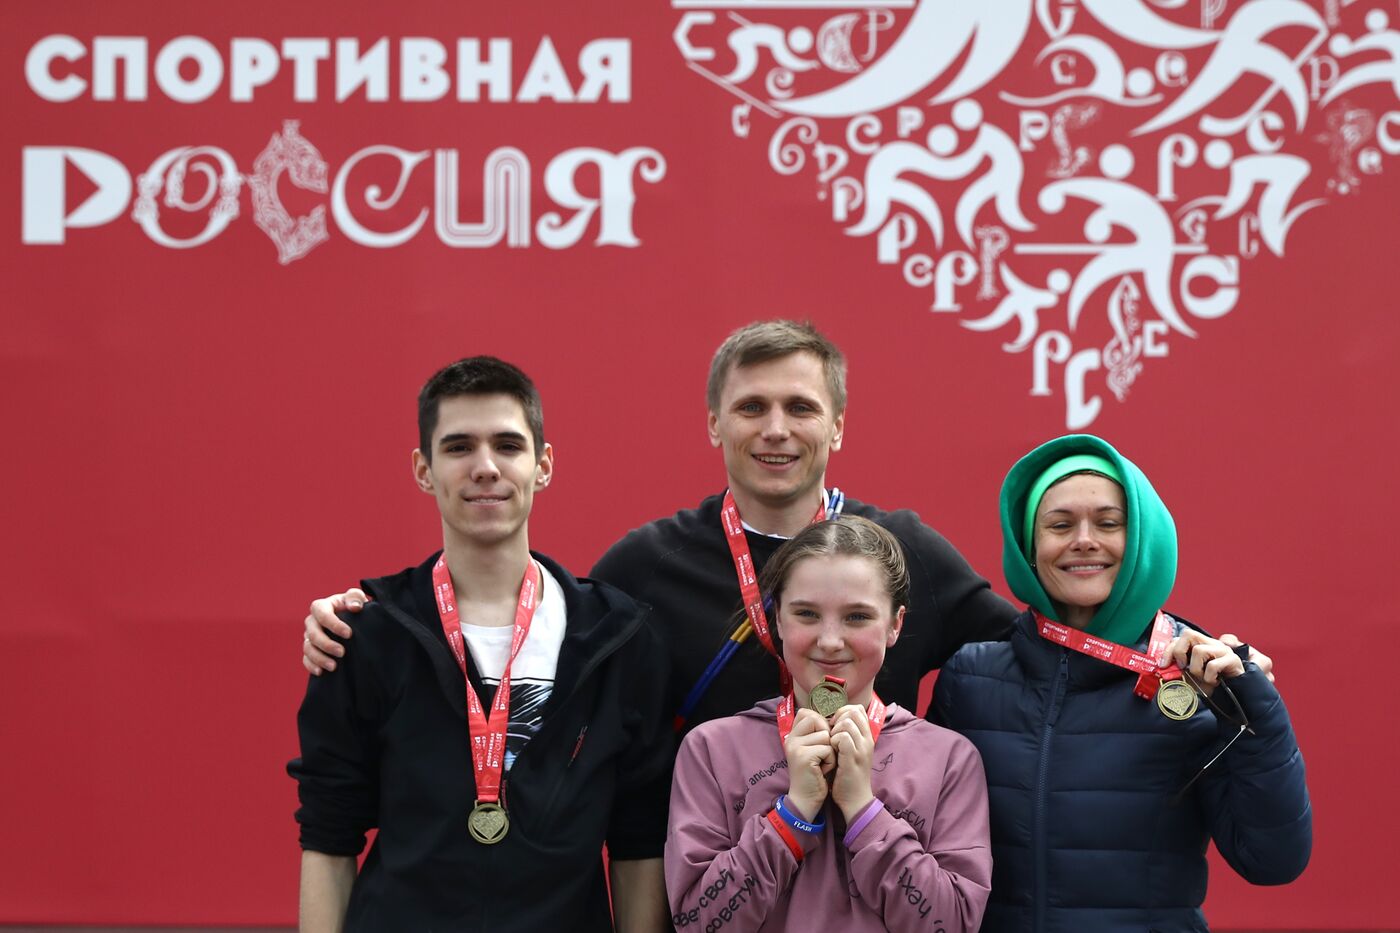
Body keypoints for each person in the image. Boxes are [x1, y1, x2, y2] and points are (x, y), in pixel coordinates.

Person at [302, 321, 1019, 731]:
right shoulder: (647, 564)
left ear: (837, 424)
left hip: (871, 890)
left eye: (800, 407)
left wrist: (1132, 637)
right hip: (707, 892)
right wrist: (367, 614)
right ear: (714, 423)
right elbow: (520, 634)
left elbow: (1035, 655)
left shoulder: (904, 551)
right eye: (750, 407)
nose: (776, 429)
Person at [288, 357, 671, 932]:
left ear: (543, 466)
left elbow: (639, 841)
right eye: (460, 447)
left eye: (508, 446)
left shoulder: (617, 639)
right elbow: (328, 835)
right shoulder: (368, 634)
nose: (485, 468)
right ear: (424, 469)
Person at [931, 433, 1311, 932]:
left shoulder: (1200, 679)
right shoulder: (970, 678)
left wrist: (1255, 711)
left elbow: (1273, 860)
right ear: (1029, 546)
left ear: (1141, 540)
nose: (1084, 539)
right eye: (1059, 524)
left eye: (1108, 523)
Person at [666, 516, 992, 932]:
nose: (831, 640)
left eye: (857, 617)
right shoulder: (710, 750)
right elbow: (697, 923)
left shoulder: (950, 759)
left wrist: (863, 809)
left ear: (895, 624)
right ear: (777, 620)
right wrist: (792, 813)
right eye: (806, 614)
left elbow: (956, 925)